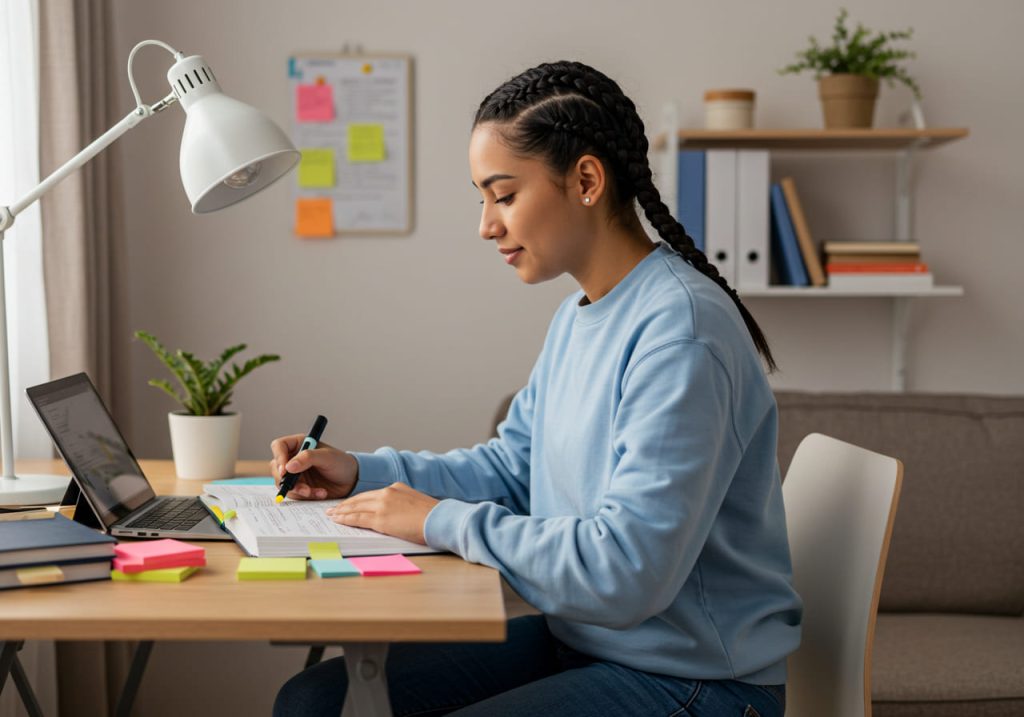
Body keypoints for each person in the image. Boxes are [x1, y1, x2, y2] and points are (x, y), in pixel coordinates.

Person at [270, 60, 801, 717]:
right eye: (482, 197)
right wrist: (360, 473)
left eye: (504, 194)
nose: (486, 225)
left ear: (585, 180)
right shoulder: (580, 315)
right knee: (317, 700)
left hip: (693, 680)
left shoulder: (681, 332)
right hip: (588, 643)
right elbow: (511, 467)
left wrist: (438, 520)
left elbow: (627, 571)